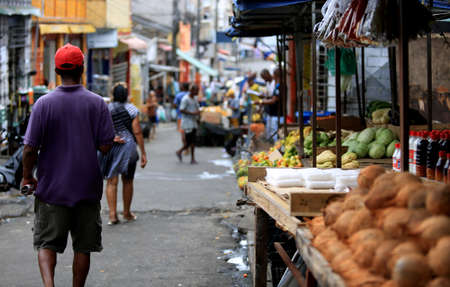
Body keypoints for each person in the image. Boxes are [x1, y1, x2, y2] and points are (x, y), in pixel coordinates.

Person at [22, 43, 115, 287]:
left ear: (56, 71)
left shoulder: (43, 104)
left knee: (46, 242)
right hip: (86, 187)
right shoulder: (97, 104)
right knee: (83, 247)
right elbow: (106, 146)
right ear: (82, 69)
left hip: (52, 188)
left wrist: (27, 177)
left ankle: (49, 285)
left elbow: (30, 148)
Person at [100, 83, 148, 225]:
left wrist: (111, 137)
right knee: (128, 181)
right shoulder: (132, 109)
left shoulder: (107, 108)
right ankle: (126, 213)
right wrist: (143, 153)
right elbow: (137, 131)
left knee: (111, 181)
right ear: (126, 94)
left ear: (113, 94)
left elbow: (100, 128)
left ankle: (113, 215)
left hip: (111, 147)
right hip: (129, 148)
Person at [176, 84, 200, 164]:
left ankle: (191, 158)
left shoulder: (195, 99)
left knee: (193, 141)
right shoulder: (185, 99)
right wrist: (192, 113)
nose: (197, 92)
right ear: (192, 90)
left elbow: (197, 108)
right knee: (190, 141)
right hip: (187, 123)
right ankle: (180, 152)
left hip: (193, 122)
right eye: (196, 91)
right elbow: (181, 109)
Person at [257, 68, 281, 142]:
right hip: (270, 112)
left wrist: (261, 102)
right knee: (270, 132)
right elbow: (271, 97)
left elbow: (274, 100)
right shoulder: (269, 84)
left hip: (276, 112)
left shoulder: (278, 85)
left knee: (274, 133)